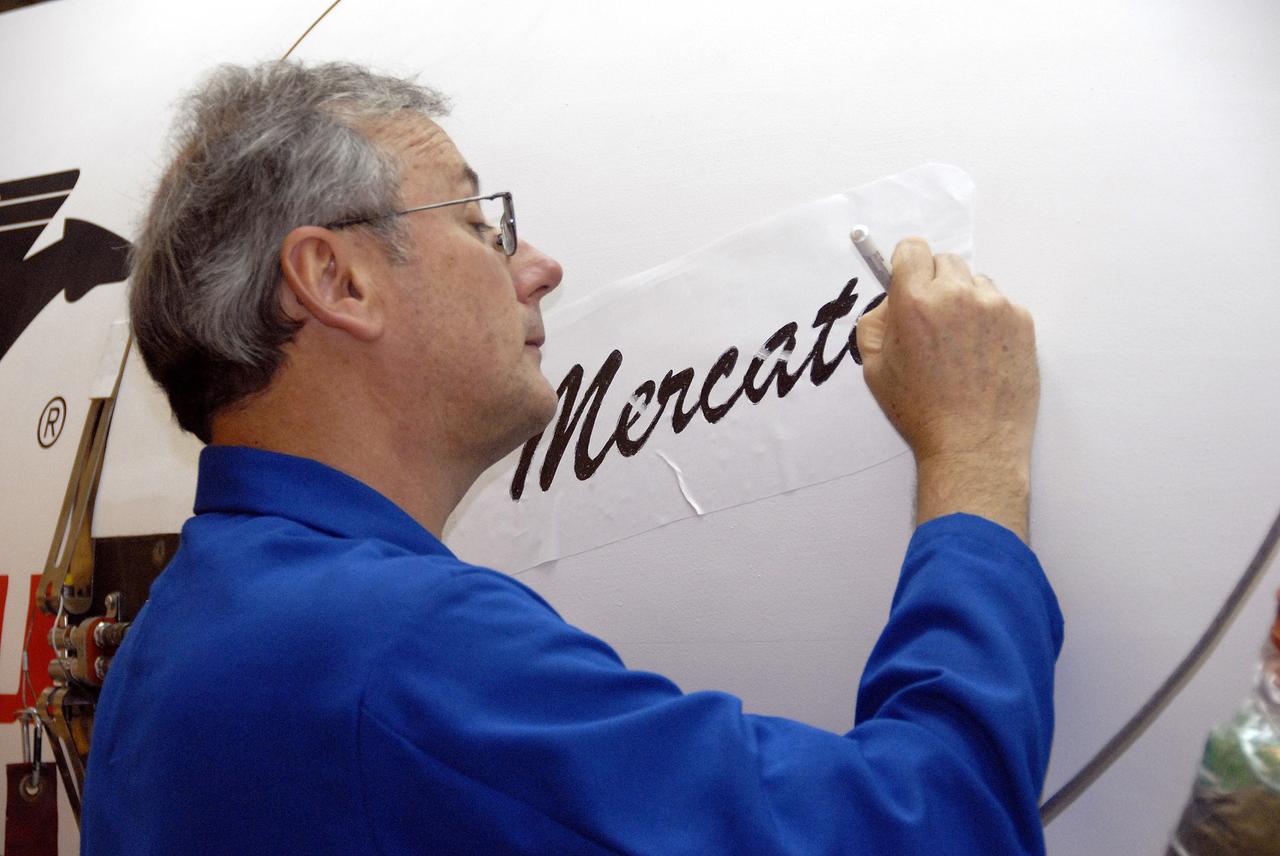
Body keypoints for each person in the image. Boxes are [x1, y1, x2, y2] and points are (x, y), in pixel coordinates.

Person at [81, 60, 1062, 855]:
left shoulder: (181, 637)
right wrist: (972, 458)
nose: (538, 264)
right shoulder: (395, 647)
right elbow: (933, 831)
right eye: (479, 221)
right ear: (337, 279)